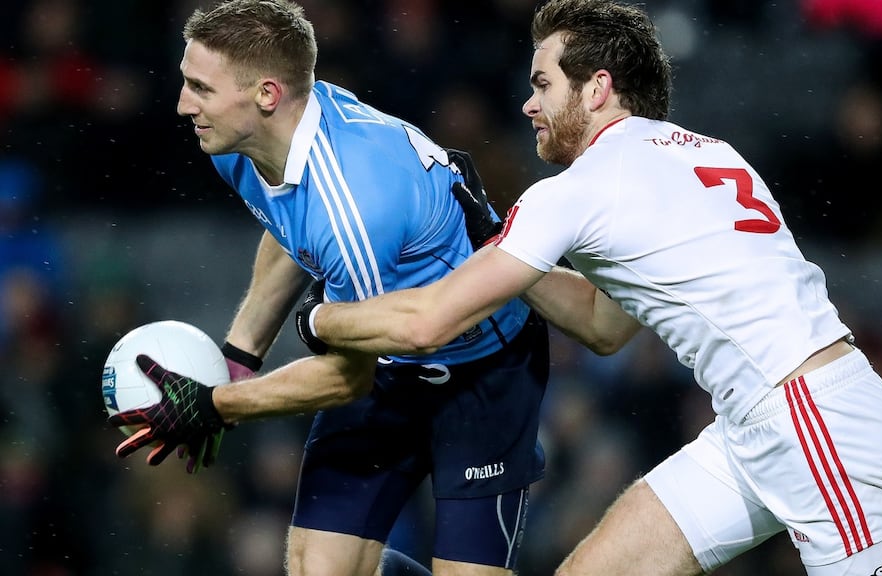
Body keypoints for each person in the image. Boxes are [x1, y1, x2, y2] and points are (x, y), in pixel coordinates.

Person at [292, 0, 882, 574]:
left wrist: (319, 319)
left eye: (542, 84)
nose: (527, 105)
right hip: (764, 422)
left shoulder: (581, 188)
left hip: (813, 425)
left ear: (597, 89)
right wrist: (498, 247)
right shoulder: (706, 151)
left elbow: (430, 322)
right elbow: (604, 324)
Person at [106, 2, 550, 576]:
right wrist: (238, 360)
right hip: (391, 361)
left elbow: (349, 375)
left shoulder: (356, 202)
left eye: (200, 88)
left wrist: (214, 405)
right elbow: (291, 228)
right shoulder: (251, 140)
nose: (182, 104)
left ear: (266, 94)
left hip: (482, 373)